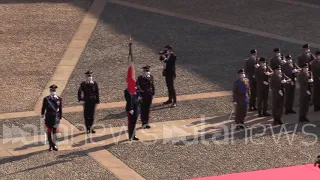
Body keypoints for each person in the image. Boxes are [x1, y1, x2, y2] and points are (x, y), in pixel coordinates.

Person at [41, 84, 62, 151]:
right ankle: (50, 145)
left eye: (54, 90)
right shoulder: (46, 99)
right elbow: (43, 108)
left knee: (55, 132)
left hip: (55, 117)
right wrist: (42, 116)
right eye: (52, 90)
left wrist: (60, 117)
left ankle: (54, 144)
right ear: (50, 91)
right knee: (49, 131)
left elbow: (60, 109)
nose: (53, 91)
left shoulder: (59, 99)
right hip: (48, 117)